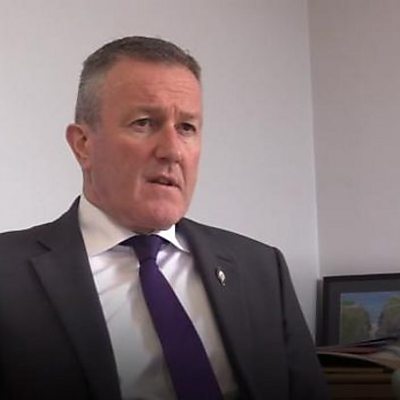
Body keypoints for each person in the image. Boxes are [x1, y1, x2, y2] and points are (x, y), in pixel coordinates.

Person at [0, 36, 328, 400]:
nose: (172, 151)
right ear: (83, 145)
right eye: (144, 123)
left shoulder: (261, 269)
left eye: (186, 127)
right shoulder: (9, 273)